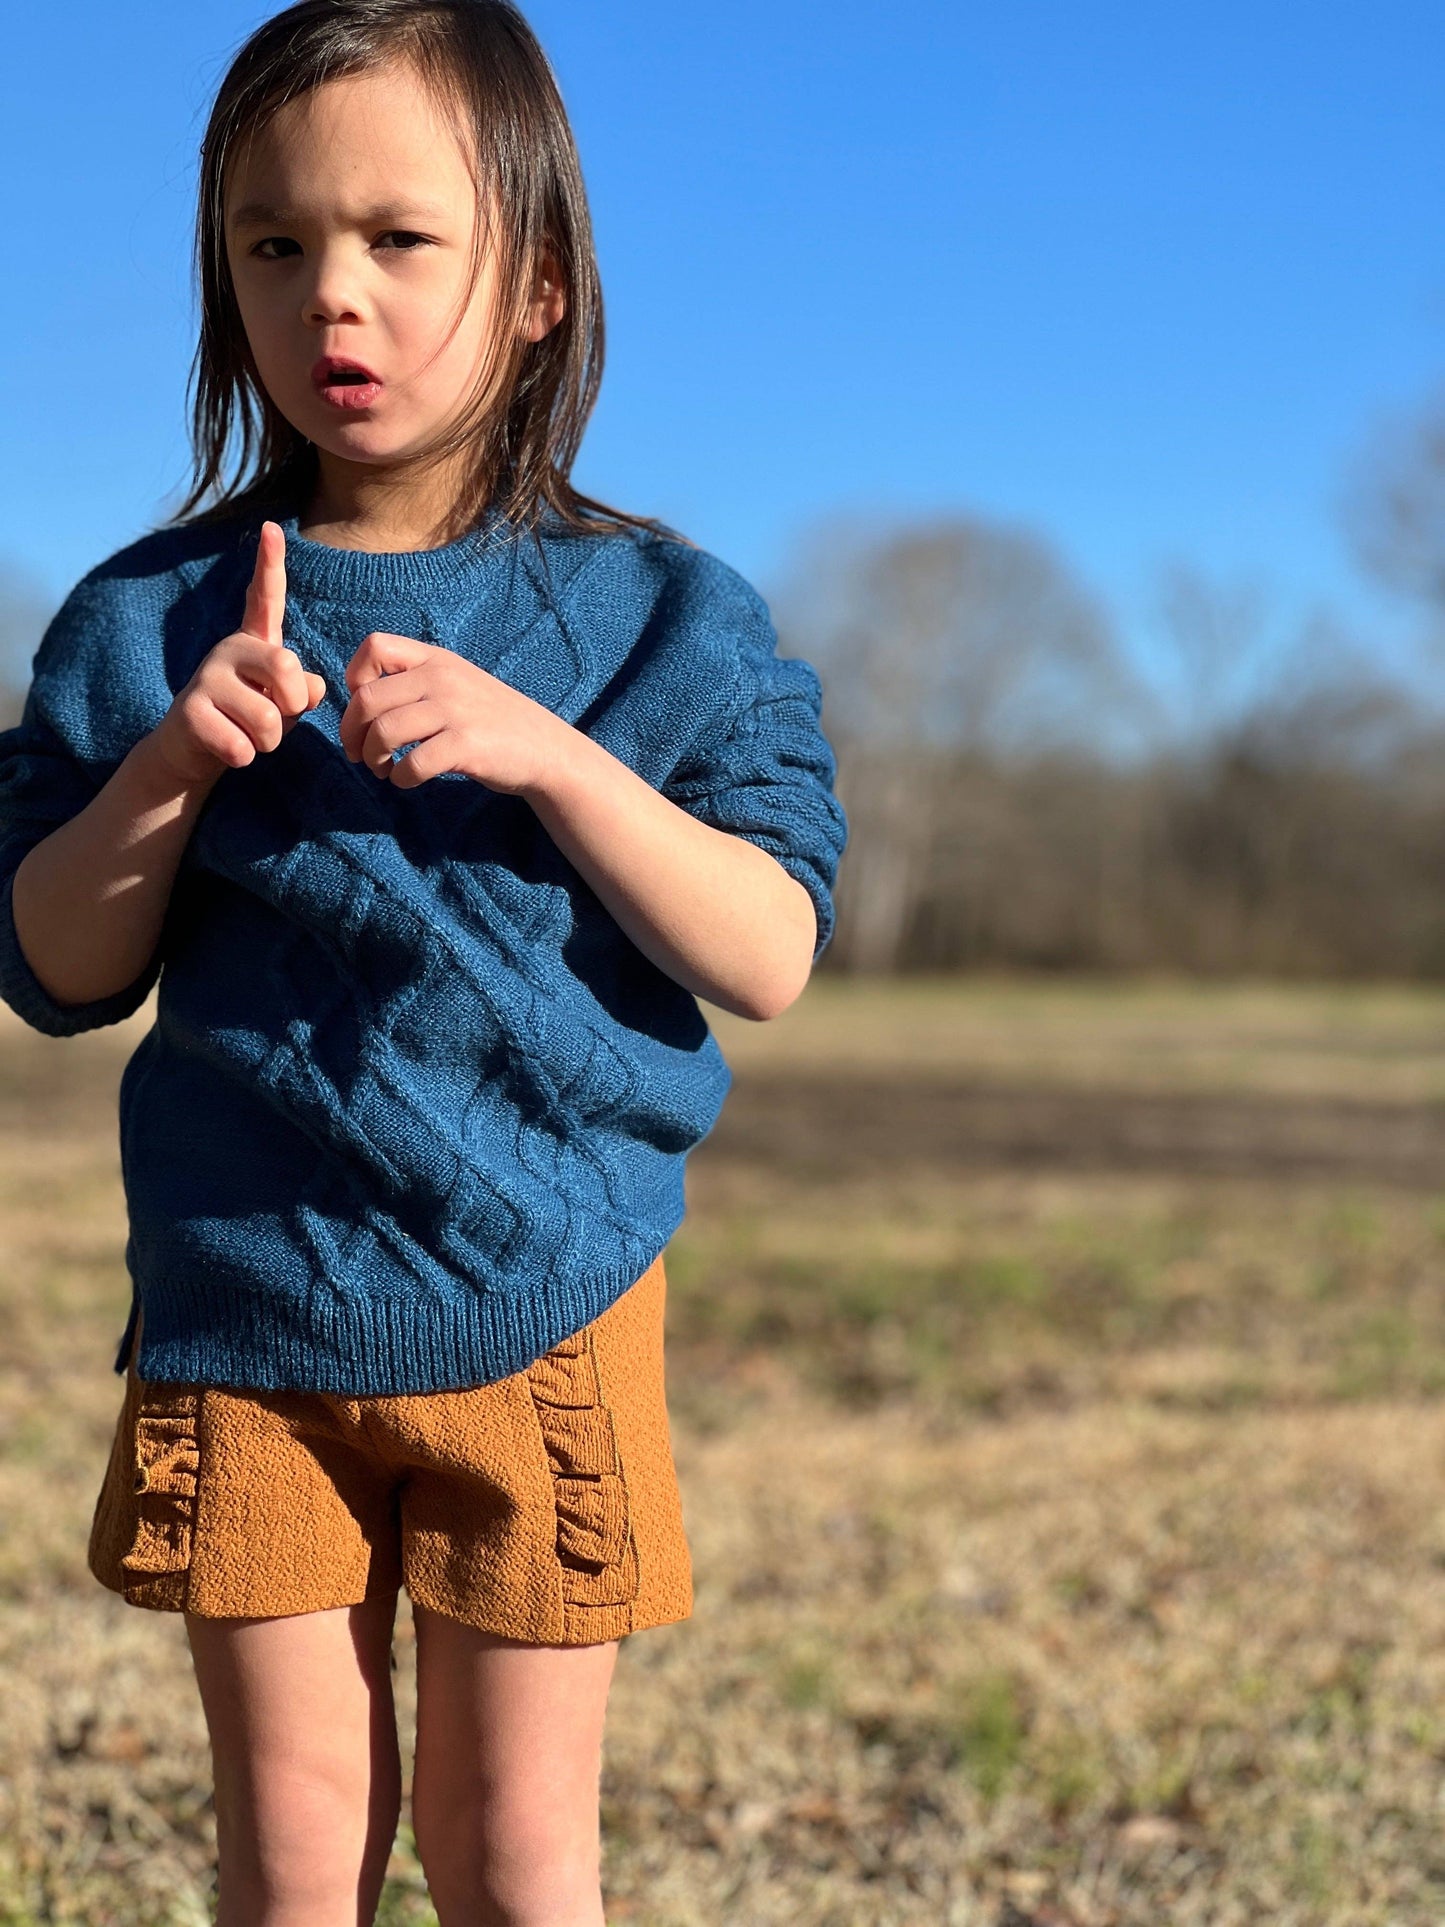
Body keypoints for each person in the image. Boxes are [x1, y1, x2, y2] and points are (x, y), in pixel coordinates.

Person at [0, 1, 847, 1921]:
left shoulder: (661, 616)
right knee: (294, 1862)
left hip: (544, 1303)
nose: (332, 300)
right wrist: (168, 763)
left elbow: (770, 946)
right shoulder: (147, 616)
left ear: (538, 286)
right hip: (246, 1320)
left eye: (400, 242)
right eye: (274, 245)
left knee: (507, 1855)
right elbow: (53, 965)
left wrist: (551, 753)